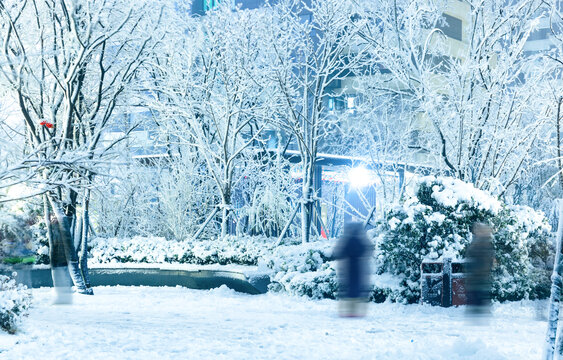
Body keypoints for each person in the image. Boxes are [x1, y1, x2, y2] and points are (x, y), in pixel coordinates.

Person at [333, 222, 373, 317]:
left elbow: (339, 252)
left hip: (348, 267)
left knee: (348, 289)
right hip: (359, 267)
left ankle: (348, 310)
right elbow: (367, 250)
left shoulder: (347, 240)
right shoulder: (361, 240)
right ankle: (356, 310)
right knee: (356, 288)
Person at [465, 222, 495, 318]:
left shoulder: (482, 243)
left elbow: (484, 262)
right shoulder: (482, 242)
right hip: (478, 278)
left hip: (478, 278)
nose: (475, 231)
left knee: (478, 303)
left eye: (477, 230)